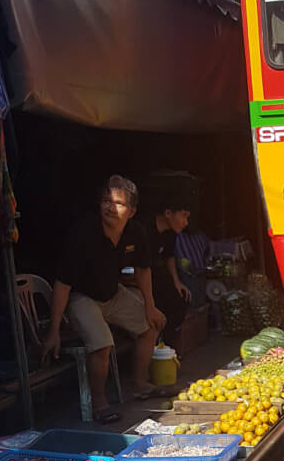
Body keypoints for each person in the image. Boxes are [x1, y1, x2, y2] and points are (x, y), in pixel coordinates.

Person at [41, 175, 167, 423]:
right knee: (102, 345)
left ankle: (140, 385)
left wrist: (150, 307)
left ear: (131, 211)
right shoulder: (83, 233)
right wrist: (54, 330)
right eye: (105, 201)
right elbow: (63, 283)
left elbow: (143, 269)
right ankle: (99, 402)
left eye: (118, 203)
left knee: (150, 326)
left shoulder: (136, 232)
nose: (110, 207)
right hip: (82, 297)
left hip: (113, 292)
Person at [145, 197, 192, 351]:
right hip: (136, 279)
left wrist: (176, 282)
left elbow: (169, 256)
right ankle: (153, 346)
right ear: (168, 213)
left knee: (181, 298)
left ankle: (167, 347)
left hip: (154, 276)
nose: (186, 222)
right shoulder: (144, 230)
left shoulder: (171, 233)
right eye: (183, 215)